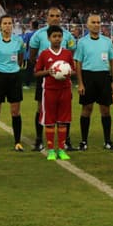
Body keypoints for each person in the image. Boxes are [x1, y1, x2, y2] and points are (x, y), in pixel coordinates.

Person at [27, 6, 76, 151]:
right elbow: (32, 56)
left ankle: (66, 141)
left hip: (64, 82)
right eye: (52, 15)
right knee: (41, 108)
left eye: (57, 16)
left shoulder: (67, 36)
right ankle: (39, 140)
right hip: (45, 80)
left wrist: (64, 71)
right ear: (47, 17)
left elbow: (70, 55)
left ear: (61, 18)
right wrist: (47, 70)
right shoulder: (38, 35)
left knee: (65, 110)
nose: (55, 18)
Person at [73, 13, 113, 150]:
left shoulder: (107, 41)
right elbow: (78, 64)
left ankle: (108, 141)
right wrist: (80, 83)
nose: (96, 25)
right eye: (93, 22)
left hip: (104, 77)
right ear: (87, 25)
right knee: (87, 108)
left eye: (98, 22)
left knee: (105, 110)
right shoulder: (82, 42)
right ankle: (84, 141)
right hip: (88, 77)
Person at [0, 14, 26, 151]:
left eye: (9, 23)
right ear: (0, 26)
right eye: (5, 23)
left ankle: (18, 142)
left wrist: (15, 68)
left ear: (12, 25)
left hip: (14, 77)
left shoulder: (18, 41)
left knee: (15, 111)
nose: (7, 25)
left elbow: (20, 57)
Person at [33, 25, 74, 161]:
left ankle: (61, 149)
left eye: (59, 36)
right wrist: (48, 72)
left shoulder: (67, 54)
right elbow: (36, 72)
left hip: (65, 90)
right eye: (54, 36)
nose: (57, 39)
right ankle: (51, 150)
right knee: (50, 121)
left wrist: (68, 72)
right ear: (49, 38)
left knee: (63, 121)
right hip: (49, 91)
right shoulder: (44, 54)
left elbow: (73, 70)